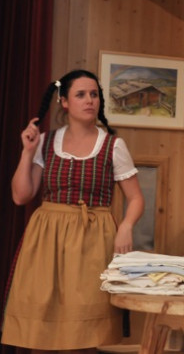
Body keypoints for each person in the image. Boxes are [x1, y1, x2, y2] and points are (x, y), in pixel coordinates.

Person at [2, 69, 145, 352]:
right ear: (64, 102)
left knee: (84, 334)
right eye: (81, 94)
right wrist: (27, 152)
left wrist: (126, 226)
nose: (90, 100)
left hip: (93, 240)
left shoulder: (113, 145)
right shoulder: (45, 141)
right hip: (46, 239)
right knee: (39, 330)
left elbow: (136, 198)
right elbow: (21, 196)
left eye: (94, 94)